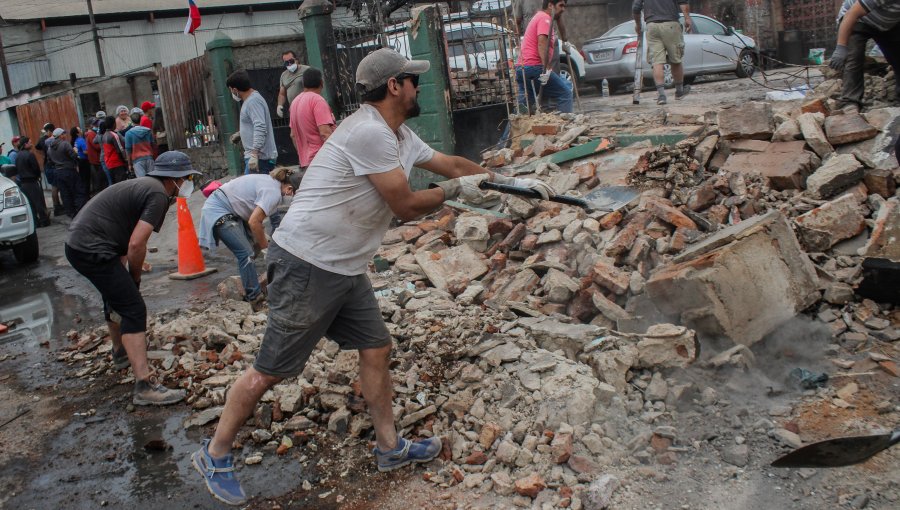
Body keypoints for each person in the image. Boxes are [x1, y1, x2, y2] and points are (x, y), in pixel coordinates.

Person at [191, 48, 555, 506]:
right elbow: (404, 205)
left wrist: (510, 183)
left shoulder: (399, 136)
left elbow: (454, 166)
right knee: (271, 371)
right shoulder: (367, 132)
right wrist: (455, 192)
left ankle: (389, 448)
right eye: (412, 79)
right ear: (393, 86)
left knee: (376, 348)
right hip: (307, 261)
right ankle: (216, 451)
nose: (417, 86)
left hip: (344, 265)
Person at [65, 151, 197, 406]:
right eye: (187, 177)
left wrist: (126, 275)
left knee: (116, 295)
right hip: (92, 248)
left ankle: (120, 353)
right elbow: (137, 244)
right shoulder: (158, 194)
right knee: (134, 308)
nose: (189, 182)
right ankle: (144, 386)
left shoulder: (144, 186)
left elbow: (124, 237)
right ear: (174, 178)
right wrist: (134, 280)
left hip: (80, 244)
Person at [198, 168, 298, 307]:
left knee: (255, 245)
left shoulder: (273, 183)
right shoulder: (273, 192)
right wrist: (266, 248)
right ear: (289, 189)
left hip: (233, 211)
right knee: (246, 254)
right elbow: (253, 222)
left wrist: (262, 242)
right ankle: (255, 298)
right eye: (294, 194)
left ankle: (250, 282)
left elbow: (257, 221)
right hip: (219, 210)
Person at [830, 0, 900, 111]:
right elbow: (852, 14)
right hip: (857, 20)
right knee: (854, 57)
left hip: (889, 24)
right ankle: (850, 102)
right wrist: (841, 47)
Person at [514, 0, 574, 114]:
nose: (563, 9)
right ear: (550, 5)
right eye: (561, 6)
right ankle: (565, 126)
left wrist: (565, 41)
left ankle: (511, 131)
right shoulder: (545, 19)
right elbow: (542, 43)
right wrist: (547, 68)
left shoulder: (541, 16)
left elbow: (559, 18)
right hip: (534, 67)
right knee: (565, 93)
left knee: (522, 111)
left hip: (522, 69)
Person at [633, 0, 692, 105]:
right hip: (671, 24)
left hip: (651, 26)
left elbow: (636, 7)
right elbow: (683, 2)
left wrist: (638, 25)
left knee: (657, 62)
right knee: (676, 59)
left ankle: (661, 96)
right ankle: (679, 92)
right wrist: (687, 18)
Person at [226, 70, 278, 175]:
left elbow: (260, 126)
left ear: (235, 89)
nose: (231, 93)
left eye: (231, 90)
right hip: (259, 157)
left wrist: (254, 154)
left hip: (259, 158)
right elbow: (254, 124)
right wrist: (241, 134)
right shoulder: (251, 100)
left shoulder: (253, 102)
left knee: (251, 190)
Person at [289, 67, 335, 169]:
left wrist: (302, 154)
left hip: (306, 163)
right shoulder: (318, 100)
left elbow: (293, 135)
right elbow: (325, 133)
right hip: (323, 161)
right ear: (321, 82)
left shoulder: (294, 102)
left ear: (303, 83)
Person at [47, 127, 87, 218]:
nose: (65, 135)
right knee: (78, 191)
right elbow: (73, 156)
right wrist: (76, 152)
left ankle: (71, 213)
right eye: (64, 133)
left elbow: (49, 161)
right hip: (69, 170)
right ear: (61, 135)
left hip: (58, 172)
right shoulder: (65, 144)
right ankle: (80, 211)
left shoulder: (49, 148)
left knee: (65, 193)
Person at [14, 137, 50, 227]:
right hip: (31, 181)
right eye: (30, 142)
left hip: (23, 183)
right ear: (25, 144)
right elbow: (36, 169)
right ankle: (44, 220)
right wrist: (37, 176)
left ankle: (35, 222)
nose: (31, 144)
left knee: (30, 204)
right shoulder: (30, 155)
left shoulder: (18, 155)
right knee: (38, 202)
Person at [36, 122, 64, 216]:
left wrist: (43, 155)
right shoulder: (50, 140)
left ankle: (58, 206)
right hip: (52, 165)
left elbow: (37, 147)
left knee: (55, 186)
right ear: (50, 131)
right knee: (55, 187)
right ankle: (57, 206)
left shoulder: (42, 140)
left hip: (48, 165)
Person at [276, 50, 309, 119]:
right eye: (286, 63)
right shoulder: (284, 75)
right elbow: (282, 94)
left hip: (307, 107)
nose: (289, 64)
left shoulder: (307, 70)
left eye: (291, 61)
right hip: (293, 109)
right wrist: (279, 105)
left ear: (296, 60)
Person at [125, 111, 155, 177]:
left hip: (137, 161)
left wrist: (129, 164)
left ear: (131, 121)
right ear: (140, 119)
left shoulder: (128, 133)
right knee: (153, 180)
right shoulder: (148, 131)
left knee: (143, 182)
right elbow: (153, 145)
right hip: (149, 158)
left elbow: (128, 150)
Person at [102, 116, 130, 183]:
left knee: (115, 184)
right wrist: (125, 160)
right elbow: (120, 149)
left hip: (109, 164)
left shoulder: (104, 135)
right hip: (117, 163)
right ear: (114, 124)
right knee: (122, 183)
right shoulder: (114, 135)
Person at [85, 117, 106, 194]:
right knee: (99, 181)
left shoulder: (94, 133)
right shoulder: (91, 134)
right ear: (91, 125)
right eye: (95, 124)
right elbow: (97, 147)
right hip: (96, 161)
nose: (97, 125)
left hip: (97, 160)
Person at [71, 126, 92, 197]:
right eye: (80, 129)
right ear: (77, 133)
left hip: (78, 161)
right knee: (86, 179)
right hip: (84, 161)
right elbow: (85, 151)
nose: (81, 130)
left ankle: (84, 195)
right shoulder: (81, 140)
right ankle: (87, 195)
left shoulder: (74, 141)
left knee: (82, 179)